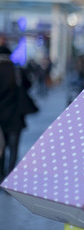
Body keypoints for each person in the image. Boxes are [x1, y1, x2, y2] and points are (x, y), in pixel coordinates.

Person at [0, 38, 37, 181]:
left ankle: (1, 174)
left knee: (1, 146)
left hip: (1, 116)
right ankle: (9, 175)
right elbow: (28, 86)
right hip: (15, 114)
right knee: (14, 147)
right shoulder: (17, 70)